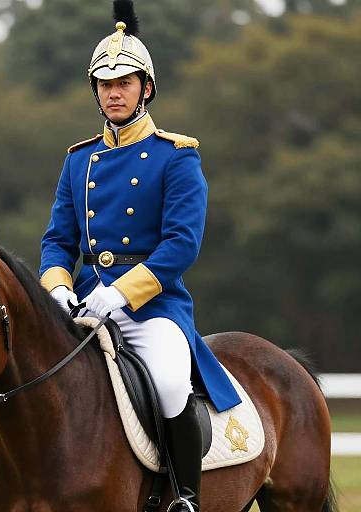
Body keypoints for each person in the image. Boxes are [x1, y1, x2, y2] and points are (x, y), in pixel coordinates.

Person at [39, 2, 241, 510]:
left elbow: (180, 245)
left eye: (124, 82)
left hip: (154, 305)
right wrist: (59, 288)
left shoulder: (178, 156)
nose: (114, 92)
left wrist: (121, 295)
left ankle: (184, 497)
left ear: (145, 88)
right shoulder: (79, 159)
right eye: (105, 85)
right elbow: (58, 240)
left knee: (172, 383)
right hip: (85, 304)